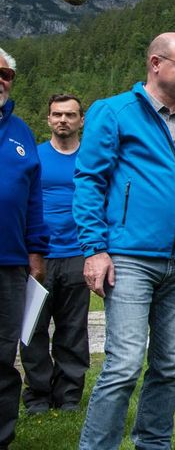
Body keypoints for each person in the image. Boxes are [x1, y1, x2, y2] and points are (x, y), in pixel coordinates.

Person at [75, 32, 175, 450]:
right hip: (130, 258)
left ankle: (153, 444)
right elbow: (89, 181)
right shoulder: (115, 112)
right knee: (123, 365)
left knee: (170, 365)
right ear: (156, 64)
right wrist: (95, 249)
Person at [21, 93, 89, 415]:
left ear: (81, 120)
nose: (63, 120)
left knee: (73, 329)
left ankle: (70, 396)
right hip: (38, 256)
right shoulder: (32, 156)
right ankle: (37, 395)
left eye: (70, 115)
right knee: (33, 328)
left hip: (78, 253)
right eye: (57, 115)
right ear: (48, 119)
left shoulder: (92, 158)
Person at [0, 47, 48, 450]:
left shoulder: (20, 132)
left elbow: (33, 198)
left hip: (11, 262)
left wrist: (36, 251)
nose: (1, 79)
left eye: (6, 74)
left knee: (3, 355)